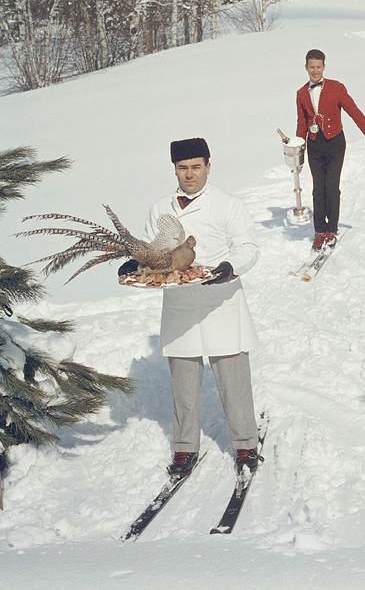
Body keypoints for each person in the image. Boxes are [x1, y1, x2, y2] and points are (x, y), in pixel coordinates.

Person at [119, 137, 261, 478]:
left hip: (221, 300)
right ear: (174, 170)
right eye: (183, 168)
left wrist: (230, 267)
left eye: (196, 167)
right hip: (180, 304)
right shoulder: (160, 208)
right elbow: (153, 252)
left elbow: (248, 247)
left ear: (209, 166)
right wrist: (135, 264)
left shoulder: (228, 205)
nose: (190, 174)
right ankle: (184, 448)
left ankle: (245, 443)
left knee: (233, 381)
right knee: (183, 384)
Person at [295, 48, 365, 250]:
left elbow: (354, 111)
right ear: (306, 67)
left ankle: (332, 229)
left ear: (324, 67)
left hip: (335, 143)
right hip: (314, 145)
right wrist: (298, 149)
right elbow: (302, 123)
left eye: (318, 67)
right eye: (311, 67)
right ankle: (320, 230)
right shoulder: (301, 93)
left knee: (332, 187)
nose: (315, 71)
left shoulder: (337, 88)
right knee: (318, 189)